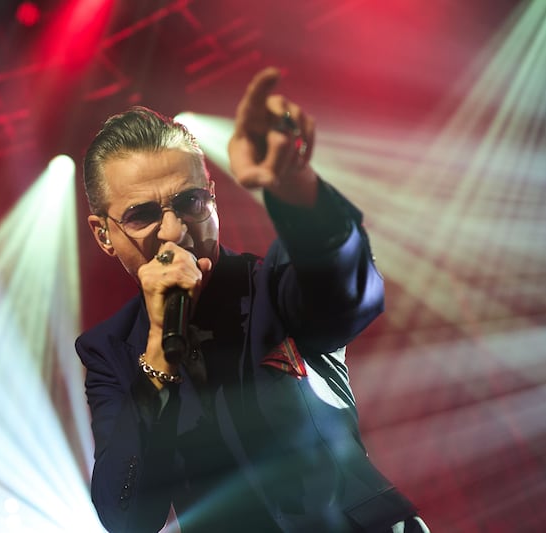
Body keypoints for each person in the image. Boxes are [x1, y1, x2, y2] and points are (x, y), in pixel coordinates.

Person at [75, 67, 430, 533]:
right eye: (142, 215)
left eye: (190, 203)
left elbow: (351, 294)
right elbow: (125, 517)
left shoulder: (273, 282)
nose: (174, 230)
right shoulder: (111, 350)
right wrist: (160, 349)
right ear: (103, 234)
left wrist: (296, 188)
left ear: (214, 198)